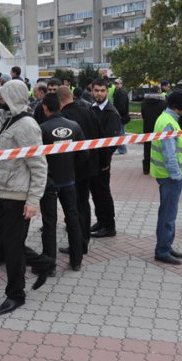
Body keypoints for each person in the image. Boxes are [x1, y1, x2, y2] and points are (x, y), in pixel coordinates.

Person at [0, 80, 53, 315]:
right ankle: (43, 263)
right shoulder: (7, 120)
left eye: (3, 95)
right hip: (2, 193)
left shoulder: (26, 125)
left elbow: (38, 165)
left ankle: (16, 294)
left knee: (12, 249)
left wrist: (33, 201)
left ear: (13, 97)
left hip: (18, 196)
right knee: (3, 243)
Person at [38, 93, 87, 271]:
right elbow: (84, 153)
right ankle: (76, 260)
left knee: (49, 222)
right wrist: (71, 167)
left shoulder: (41, 128)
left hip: (49, 181)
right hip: (69, 180)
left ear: (44, 107)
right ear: (60, 105)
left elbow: (38, 158)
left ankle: (49, 265)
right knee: (72, 218)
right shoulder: (74, 126)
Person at [150, 91, 182, 265]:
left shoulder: (166, 118)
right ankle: (162, 250)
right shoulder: (168, 123)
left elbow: (171, 143)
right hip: (169, 176)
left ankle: (166, 245)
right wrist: (176, 176)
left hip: (166, 175)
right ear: (180, 106)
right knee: (168, 214)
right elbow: (170, 154)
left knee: (168, 213)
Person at [58, 86, 101, 257]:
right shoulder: (89, 111)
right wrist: (103, 163)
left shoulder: (65, 118)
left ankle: (77, 244)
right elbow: (102, 136)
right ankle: (84, 239)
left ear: (60, 100)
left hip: (73, 168)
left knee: (73, 207)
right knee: (84, 203)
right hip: (90, 166)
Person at [89, 78, 122, 238]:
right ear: (92, 91)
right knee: (95, 193)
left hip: (102, 163)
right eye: (97, 90)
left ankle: (109, 226)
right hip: (92, 161)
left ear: (107, 91)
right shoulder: (91, 108)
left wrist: (104, 162)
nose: (99, 93)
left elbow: (111, 143)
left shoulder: (111, 113)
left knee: (103, 193)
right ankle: (101, 221)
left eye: (102, 91)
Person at [141, 86, 167, 174]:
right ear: (158, 91)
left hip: (147, 127)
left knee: (147, 148)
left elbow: (143, 115)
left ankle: (146, 168)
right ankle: (158, 167)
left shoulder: (144, 102)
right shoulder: (163, 103)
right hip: (159, 128)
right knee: (159, 148)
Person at [112, 78, 130, 154]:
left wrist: (118, 114)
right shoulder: (118, 91)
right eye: (115, 83)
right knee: (120, 132)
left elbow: (121, 106)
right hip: (121, 115)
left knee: (120, 133)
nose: (116, 85)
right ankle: (121, 149)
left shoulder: (121, 92)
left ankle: (122, 149)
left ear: (121, 84)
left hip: (121, 116)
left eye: (118, 83)